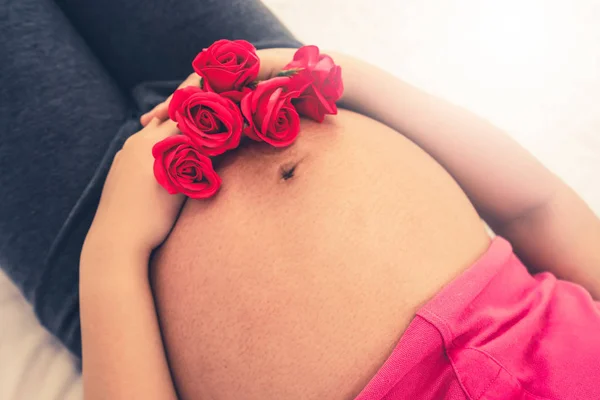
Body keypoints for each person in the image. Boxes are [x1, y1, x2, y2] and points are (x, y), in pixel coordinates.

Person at [2, 2, 600, 400]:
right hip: (284, 84)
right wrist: (346, 77)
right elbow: (540, 209)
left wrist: (114, 247)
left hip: (111, 263)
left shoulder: (112, 248)